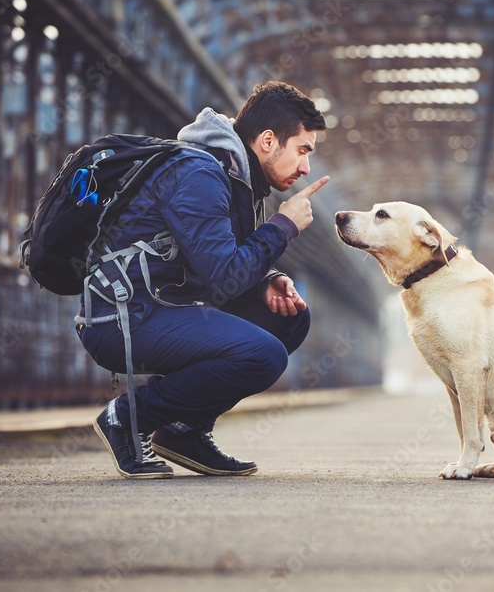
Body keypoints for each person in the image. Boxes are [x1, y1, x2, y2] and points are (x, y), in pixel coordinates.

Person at [82, 81, 329, 479]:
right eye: (302, 150)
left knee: (290, 318)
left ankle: (184, 429)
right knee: (264, 355)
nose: (305, 167)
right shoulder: (199, 174)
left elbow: (211, 260)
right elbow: (222, 279)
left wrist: (267, 278)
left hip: (167, 304)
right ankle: (126, 418)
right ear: (268, 140)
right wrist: (283, 227)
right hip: (126, 317)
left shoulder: (237, 178)